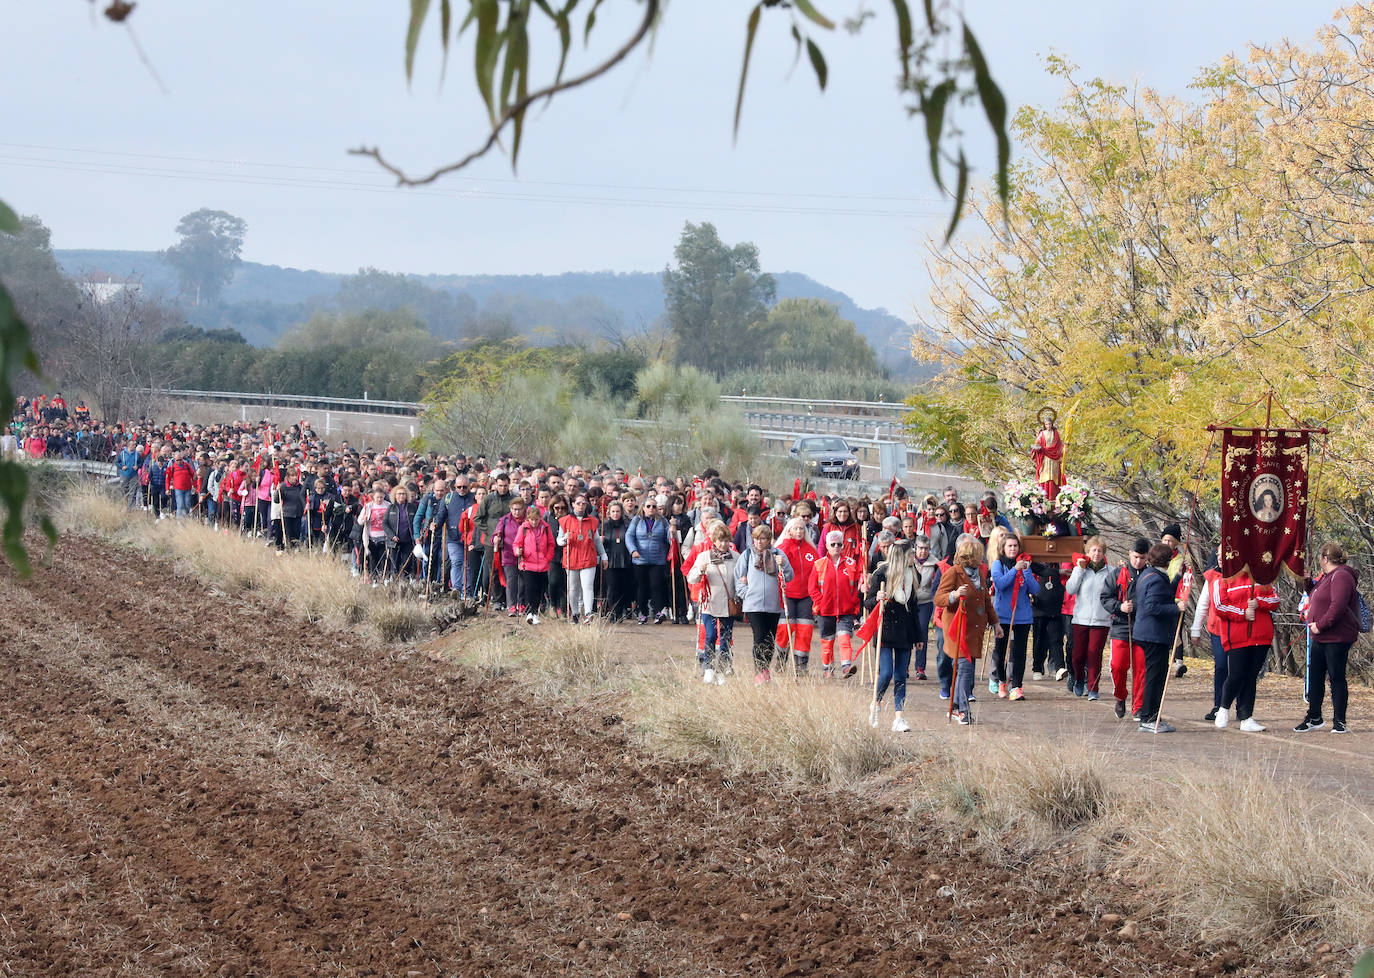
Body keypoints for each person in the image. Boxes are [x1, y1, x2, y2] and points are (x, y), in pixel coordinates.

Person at [934, 534, 1001, 725]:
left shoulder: (978, 573)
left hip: (974, 629)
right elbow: (939, 598)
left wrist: (995, 623)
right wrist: (954, 595)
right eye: (979, 554)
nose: (982, 558)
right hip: (958, 630)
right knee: (964, 669)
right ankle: (963, 709)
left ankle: (955, 708)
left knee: (965, 669)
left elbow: (986, 601)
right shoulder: (954, 573)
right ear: (970, 556)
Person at [1296, 541, 1358, 734]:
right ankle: (1314, 716)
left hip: (1336, 637)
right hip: (1320, 637)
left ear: (1325, 558)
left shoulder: (1342, 577)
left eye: (1320, 559)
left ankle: (1340, 720)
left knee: (1336, 678)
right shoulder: (1327, 577)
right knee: (1315, 678)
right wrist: (1307, 583)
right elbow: (1317, 596)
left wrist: (1320, 625)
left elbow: (1337, 606)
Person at [1212, 568, 1281, 731]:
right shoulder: (1223, 580)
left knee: (1251, 677)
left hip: (1261, 636)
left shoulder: (1264, 578)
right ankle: (1224, 707)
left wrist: (1259, 603)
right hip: (1237, 636)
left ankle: (1246, 716)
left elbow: (1275, 600)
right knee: (1236, 675)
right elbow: (1219, 606)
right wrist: (1243, 613)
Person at [864, 537, 921, 732]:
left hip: (906, 632)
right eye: (911, 554)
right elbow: (868, 602)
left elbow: (914, 609)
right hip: (886, 630)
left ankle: (899, 717)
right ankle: (876, 703)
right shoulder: (881, 574)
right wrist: (877, 598)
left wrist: (919, 637)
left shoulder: (914, 575)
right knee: (886, 672)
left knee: (900, 676)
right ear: (903, 556)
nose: (914, 557)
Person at [734, 523, 793, 684]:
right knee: (759, 637)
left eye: (764, 539)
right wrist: (746, 594)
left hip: (773, 605)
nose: (760, 542)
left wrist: (784, 564)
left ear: (769, 540)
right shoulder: (747, 555)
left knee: (770, 639)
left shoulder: (778, 554)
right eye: (757, 539)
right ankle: (759, 671)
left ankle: (765, 668)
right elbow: (738, 577)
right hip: (753, 605)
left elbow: (789, 576)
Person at [1134, 543, 1184, 733]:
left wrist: (1178, 577)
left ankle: (1152, 716)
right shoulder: (1155, 579)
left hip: (1148, 633)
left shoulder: (1150, 575)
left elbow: (1164, 595)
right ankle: (1149, 717)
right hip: (1153, 635)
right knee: (1155, 678)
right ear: (1167, 561)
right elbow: (1152, 606)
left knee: (1156, 676)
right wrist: (1176, 608)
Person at [686, 520, 738, 684]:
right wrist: (700, 571)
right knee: (710, 635)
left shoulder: (736, 557)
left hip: (728, 604)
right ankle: (708, 667)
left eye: (726, 540)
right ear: (714, 541)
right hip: (709, 602)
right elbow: (691, 577)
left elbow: (740, 579)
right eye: (720, 540)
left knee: (725, 637)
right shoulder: (704, 556)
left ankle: (722, 669)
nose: (723, 544)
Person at [1103, 538, 1149, 720]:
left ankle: (1138, 707)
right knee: (1118, 666)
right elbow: (1105, 597)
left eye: (1143, 558)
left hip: (1143, 627)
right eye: (1136, 557)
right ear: (1130, 553)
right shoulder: (1116, 574)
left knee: (1141, 670)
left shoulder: (1150, 575)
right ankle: (1120, 696)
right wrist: (1119, 607)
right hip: (1121, 626)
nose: (1138, 561)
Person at [989, 533, 1039, 700]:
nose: (1012, 548)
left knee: (1019, 652)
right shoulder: (997, 564)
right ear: (1003, 548)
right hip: (1002, 615)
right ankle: (1002, 680)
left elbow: (1035, 589)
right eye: (1009, 546)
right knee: (1001, 650)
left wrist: (1026, 571)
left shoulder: (1025, 565)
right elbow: (1000, 584)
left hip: (1022, 615)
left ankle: (1017, 686)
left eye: (1015, 546)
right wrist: (1014, 570)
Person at [811, 529, 863, 678]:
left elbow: (857, 586)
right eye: (832, 544)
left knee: (844, 638)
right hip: (825, 611)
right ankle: (828, 669)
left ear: (842, 546)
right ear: (826, 546)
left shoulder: (851, 564)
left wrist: (854, 602)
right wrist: (820, 604)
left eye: (839, 544)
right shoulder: (819, 564)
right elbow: (812, 587)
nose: (836, 547)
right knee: (827, 642)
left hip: (846, 611)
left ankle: (846, 666)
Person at [1065, 537, 1112, 699]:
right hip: (1080, 619)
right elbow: (1070, 589)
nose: (1097, 554)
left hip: (1101, 620)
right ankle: (1079, 679)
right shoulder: (1081, 570)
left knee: (1094, 655)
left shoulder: (1110, 572)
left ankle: (1093, 688)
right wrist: (1079, 570)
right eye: (1093, 550)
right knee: (1077, 656)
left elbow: (1115, 592)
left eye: (1100, 551)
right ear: (1087, 552)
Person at [777, 517, 819, 675]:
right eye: (796, 528)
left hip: (806, 596)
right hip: (787, 594)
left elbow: (817, 572)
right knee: (784, 630)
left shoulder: (811, 550)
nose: (799, 531)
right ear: (789, 530)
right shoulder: (782, 548)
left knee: (805, 630)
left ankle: (801, 666)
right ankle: (781, 661)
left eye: (802, 528)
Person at [1190, 547, 1227, 721]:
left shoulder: (1243, 575)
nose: (1220, 558)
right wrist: (1195, 629)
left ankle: (1242, 707)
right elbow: (1203, 604)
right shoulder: (1212, 576)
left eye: (1223, 555)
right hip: (1217, 630)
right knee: (1220, 666)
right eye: (1218, 555)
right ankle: (1218, 705)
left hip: (1237, 631)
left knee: (1237, 669)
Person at [557, 494, 605, 623]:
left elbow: (596, 540)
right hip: (571, 558)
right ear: (573, 504)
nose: (581, 506)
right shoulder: (564, 520)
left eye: (583, 503)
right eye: (578, 503)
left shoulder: (593, 521)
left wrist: (604, 556)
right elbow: (559, 541)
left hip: (588, 557)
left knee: (587, 586)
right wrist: (564, 539)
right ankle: (575, 612)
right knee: (573, 588)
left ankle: (588, 613)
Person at [628, 494, 671, 624]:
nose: (651, 508)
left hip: (657, 559)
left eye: (654, 506)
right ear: (643, 507)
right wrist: (633, 550)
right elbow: (629, 536)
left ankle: (658, 612)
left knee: (656, 586)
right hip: (640, 559)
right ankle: (642, 613)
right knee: (642, 587)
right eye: (648, 506)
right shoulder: (636, 520)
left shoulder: (663, 521)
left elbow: (668, 539)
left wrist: (672, 531)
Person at [513, 501, 556, 624]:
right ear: (528, 519)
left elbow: (551, 544)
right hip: (528, 564)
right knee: (530, 588)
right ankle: (531, 613)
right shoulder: (524, 528)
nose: (534, 522)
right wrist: (518, 551)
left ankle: (535, 612)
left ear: (540, 518)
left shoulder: (546, 528)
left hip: (542, 564)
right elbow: (517, 543)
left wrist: (547, 557)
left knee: (540, 589)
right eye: (532, 520)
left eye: (536, 520)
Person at [1029, 557, 1066, 683]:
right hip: (1039, 609)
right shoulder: (1032, 565)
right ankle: (1037, 668)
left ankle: (1060, 667)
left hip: (1056, 609)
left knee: (1057, 640)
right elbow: (1041, 571)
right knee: (1039, 640)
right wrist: (1059, 572)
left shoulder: (1059, 563)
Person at [599, 500, 634, 622]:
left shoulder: (627, 524)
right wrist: (600, 540)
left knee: (623, 587)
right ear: (609, 512)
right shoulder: (604, 525)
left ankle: (621, 611)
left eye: (618, 511)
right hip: (610, 560)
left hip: (624, 559)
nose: (615, 514)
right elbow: (597, 544)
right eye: (613, 511)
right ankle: (612, 612)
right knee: (612, 588)